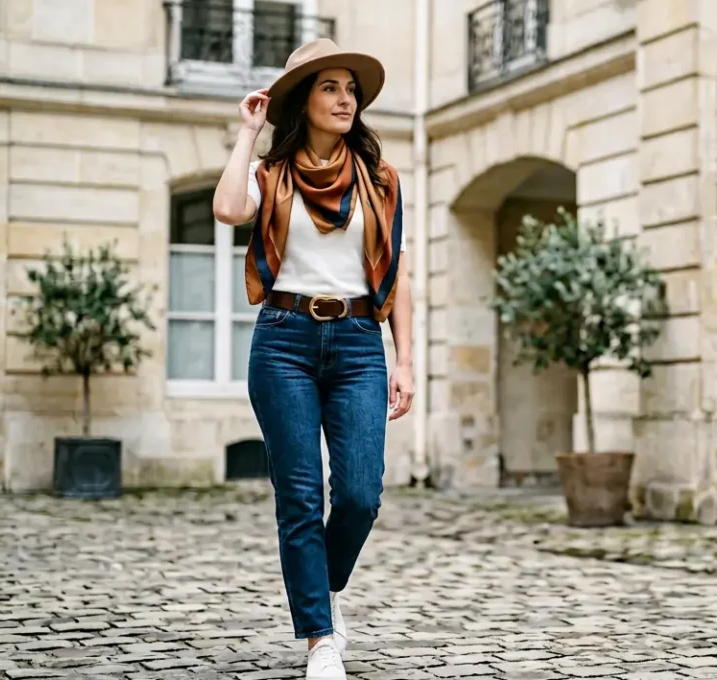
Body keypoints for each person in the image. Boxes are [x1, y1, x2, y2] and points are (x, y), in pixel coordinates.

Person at [211, 39, 414, 680]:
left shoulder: (381, 179)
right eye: (329, 86)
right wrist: (248, 131)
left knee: (358, 493)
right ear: (304, 100)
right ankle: (320, 639)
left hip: (358, 342)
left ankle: (319, 592)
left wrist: (405, 360)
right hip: (284, 340)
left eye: (351, 87)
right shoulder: (271, 175)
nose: (345, 97)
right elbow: (227, 209)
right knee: (298, 496)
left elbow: (397, 271)